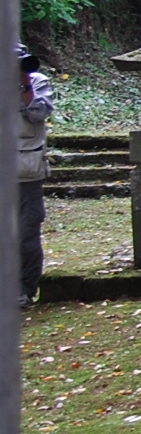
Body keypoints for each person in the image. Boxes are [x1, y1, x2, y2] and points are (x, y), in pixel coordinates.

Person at [18, 44, 52, 307]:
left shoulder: (37, 81)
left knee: (27, 232)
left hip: (25, 169)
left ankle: (24, 290)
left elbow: (38, 114)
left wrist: (24, 83)